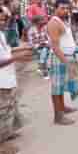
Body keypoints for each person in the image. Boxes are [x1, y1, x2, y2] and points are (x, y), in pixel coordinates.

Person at [0, 8, 33, 143]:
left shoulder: (1, 34)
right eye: (0, 20)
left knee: (11, 107)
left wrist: (24, 48)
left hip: (8, 77)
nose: (3, 22)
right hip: (1, 80)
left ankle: (7, 133)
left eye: (3, 19)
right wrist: (17, 57)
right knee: (2, 111)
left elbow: (7, 50)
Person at [47, 0, 78, 125]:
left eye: (67, 8)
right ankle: (58, 117)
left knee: (61, 87)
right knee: (57, 88)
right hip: (59, 58)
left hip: (66, 57)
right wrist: (67, 63)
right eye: (62, 8)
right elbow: (55, 47)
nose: (65, 10)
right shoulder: (54, 23)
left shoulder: (64, 21)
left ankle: (63, 108)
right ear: (55, 8)